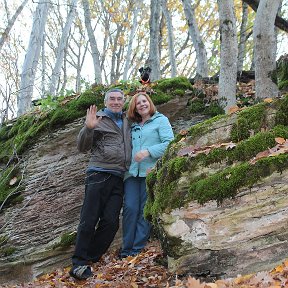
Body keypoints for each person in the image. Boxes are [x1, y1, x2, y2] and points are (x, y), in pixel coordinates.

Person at [69, 88, 131, 280]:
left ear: (123, 101)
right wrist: (88, 128)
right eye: (112, 99)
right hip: (98, 174)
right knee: (89, 219)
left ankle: (90, 257)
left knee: (111, 223)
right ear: (106, 102)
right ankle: (78, 263)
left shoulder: (128, 120)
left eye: (119, 99)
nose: (115, 102)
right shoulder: (98, 119)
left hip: (119, 177)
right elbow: (82, 147)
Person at [119, 92, 174, 259]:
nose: (142, 104)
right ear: (134, 108)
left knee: (144, 210)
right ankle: (125, 249)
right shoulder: (132, 125)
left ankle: (136, 249)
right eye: (138, 103)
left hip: (150, 173)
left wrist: (148, 152)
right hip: (131, 174)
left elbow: (170, 144)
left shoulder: (161, 120)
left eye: (144, 101)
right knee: (129, 208)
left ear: (149, 103)